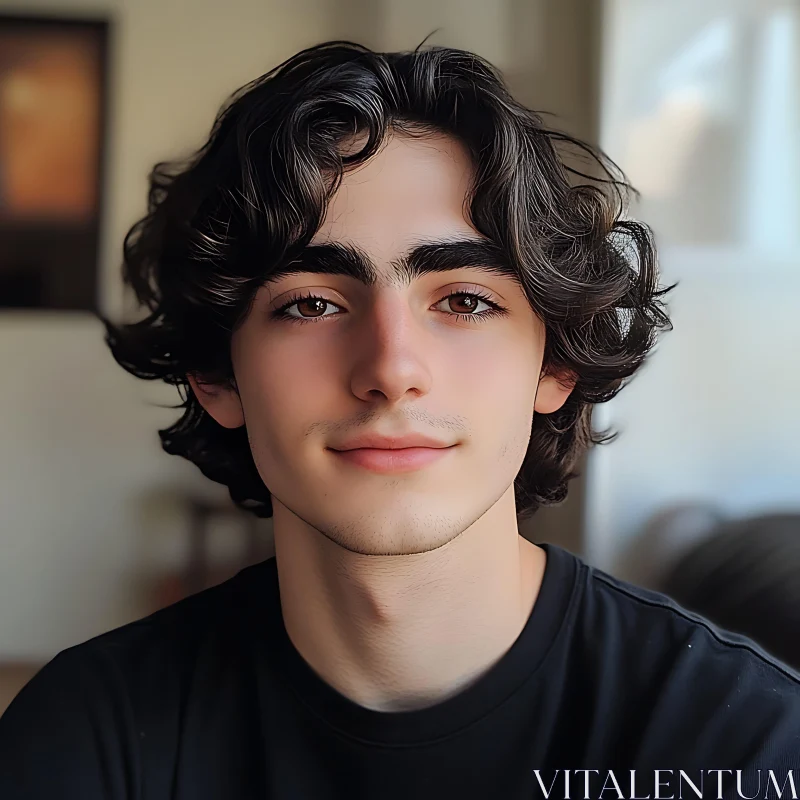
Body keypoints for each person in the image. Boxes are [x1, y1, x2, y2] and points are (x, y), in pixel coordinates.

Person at [1, 40, 798, 800]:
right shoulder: (81, 739)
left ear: (555, 365)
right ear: (216, 373)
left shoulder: (744, 746)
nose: (390, 369)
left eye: (464, 300)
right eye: (311, 303)